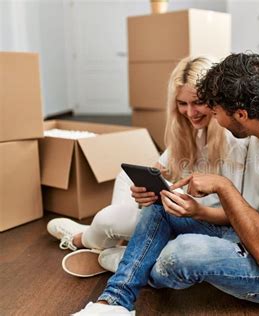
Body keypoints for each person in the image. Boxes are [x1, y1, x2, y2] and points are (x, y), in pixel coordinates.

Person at [73, 53, 259, 315]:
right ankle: (115, 301)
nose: (211, 115)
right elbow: (244, 216)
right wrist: (192, 205)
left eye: (215, 110)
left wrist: (223, 186)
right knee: (160, 207)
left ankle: (132, 263)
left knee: (180, 253)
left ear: (241, 114)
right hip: (245, 233)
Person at [47, 56, 247, 277]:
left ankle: (83, 240)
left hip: (207, 223)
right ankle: (117, 246)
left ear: (214, 100)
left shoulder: (234, 140)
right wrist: (143, 191)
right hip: (180, 209)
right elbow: (156, 171)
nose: (190, 113)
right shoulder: (193, 132)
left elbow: (240, 214)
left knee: (106, 219)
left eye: (198, 102)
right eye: (182, 104)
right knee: (126, 176)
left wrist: (196, 210)